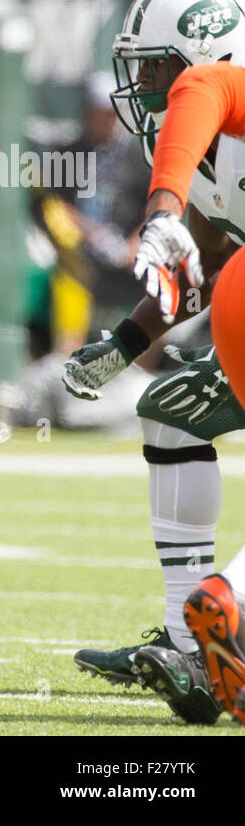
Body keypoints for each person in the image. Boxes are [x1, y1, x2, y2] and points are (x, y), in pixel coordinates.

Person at [64, 0, 245, 725]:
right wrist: (127, 340)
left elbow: (205, 83)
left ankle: (210, 630)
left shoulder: (212, 90)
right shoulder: (201, 139)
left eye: (156, 69)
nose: (145, 87)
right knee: (170, 408)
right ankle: (202, 629)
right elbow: (197, 266)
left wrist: (162, 205)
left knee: (172, 410)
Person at [184, 245, 245, 725]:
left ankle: (230, 594)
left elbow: (201, 251)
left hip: (233, 285)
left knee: (168, 419)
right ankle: (233, 592)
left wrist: (126, 341)